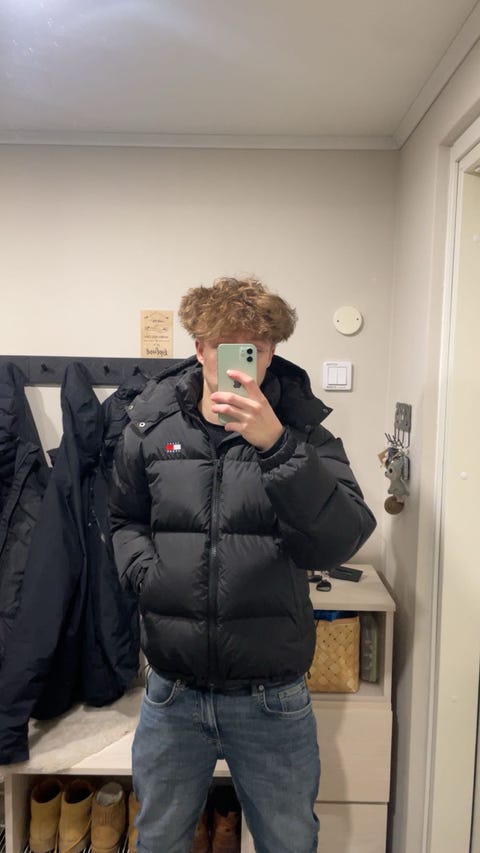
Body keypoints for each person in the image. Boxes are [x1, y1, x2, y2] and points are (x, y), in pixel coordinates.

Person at [109, 276, 376, 853]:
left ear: (271, 351)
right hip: (173, 690)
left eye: (252, 347)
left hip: (271, 696)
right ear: (199, 348)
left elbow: (343, 538)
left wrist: (277, 445)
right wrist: (147, 576)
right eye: (222, 344)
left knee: (288, 841)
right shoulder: (150, 426)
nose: (236, 358)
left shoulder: (303, 432)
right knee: (158, 840)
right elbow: (123, 519)